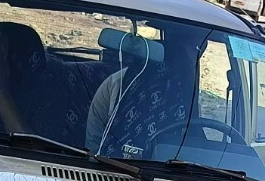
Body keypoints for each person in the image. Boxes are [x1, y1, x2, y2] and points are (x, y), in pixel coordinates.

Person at [86, 25, 201, 158]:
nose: (189, 67)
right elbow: (93, 147)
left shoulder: (184, 96)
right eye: (184, 60)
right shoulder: (116, 85)